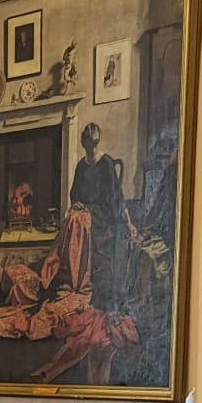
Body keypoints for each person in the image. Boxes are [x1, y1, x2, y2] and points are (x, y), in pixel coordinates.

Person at [68, 122, 136, 312]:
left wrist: (128, 222)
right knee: (73, 220)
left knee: (78, 220)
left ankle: (94, 288)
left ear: (96, 145)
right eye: (88, 147)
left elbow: (117, 196)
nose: (91, 151)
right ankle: (78, 279)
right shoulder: (81, 166)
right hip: (85, 211)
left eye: (93, 147)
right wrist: (77, 207)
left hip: (103, 214)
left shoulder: (106, 163)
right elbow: (74, 195)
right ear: (84, 145)